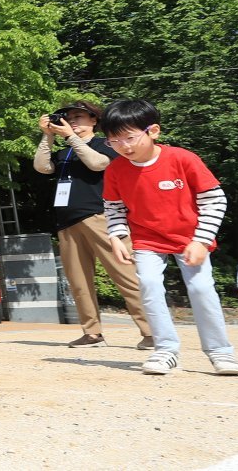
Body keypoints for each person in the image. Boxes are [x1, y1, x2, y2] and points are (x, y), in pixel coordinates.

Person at [101, 99, 238, 376]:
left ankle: (220, 352)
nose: (124, 146)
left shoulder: (182, 159)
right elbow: (113, 207)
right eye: (114, 141)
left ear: (153, 131)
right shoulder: (116, 170)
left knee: (201, 289)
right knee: (149, 286)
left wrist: (200, 240)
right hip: (147, 239)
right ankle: (165, 350)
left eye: (129, 137)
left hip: (191, 238)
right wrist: (117, 236)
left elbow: (214, 201)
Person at [34, 100, 152, 350]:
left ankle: (152, 331)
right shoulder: (65, 149)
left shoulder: (105, 143)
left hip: (101, 217)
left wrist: (72, 139)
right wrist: (48, 137)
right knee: (79, 282)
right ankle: (92, 333)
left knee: (126, 276)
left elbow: (98, 164)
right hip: (67, 220)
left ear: (94, 120)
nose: (72, 121)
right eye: (68, 117)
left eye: (79, 116)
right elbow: (42, 167)